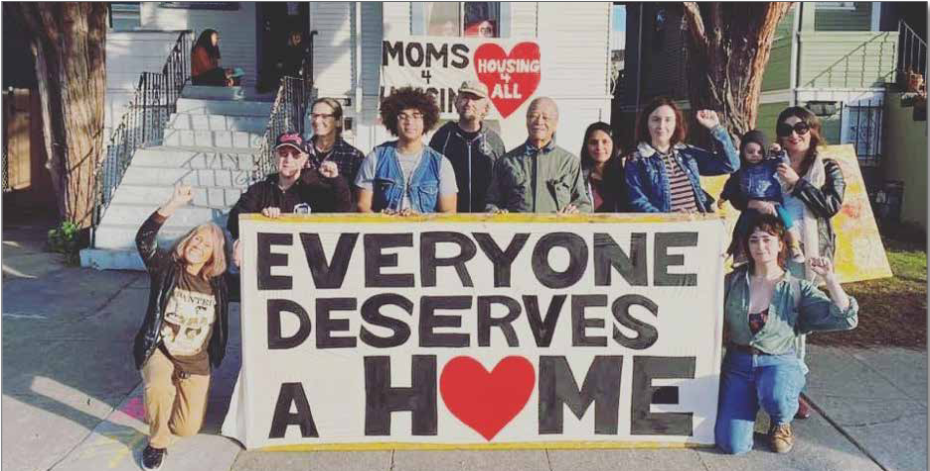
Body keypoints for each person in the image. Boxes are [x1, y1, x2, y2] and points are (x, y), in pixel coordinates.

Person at [715, 214, 857, 455]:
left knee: (776, 397)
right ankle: (752, 403)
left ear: (781, 243)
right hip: (738, 364)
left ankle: (781, 421)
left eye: (767, 239)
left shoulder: (796, 287)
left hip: (778, 361)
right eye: (753, 240)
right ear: (747, 246)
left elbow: (845, 317)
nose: (760, 246)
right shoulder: (733, 281)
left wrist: (830, 279)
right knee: (732, 445)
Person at [134, 185, 230, 470]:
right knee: (158, 386)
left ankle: (163, 406)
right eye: (195, 239)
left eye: (205, 245)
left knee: (186, 429)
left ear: (214, 256)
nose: (197, 245)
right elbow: (144, 240)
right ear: (187, 241)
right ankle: (157, 443)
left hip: (195, 360)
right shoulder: (166, 269)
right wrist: (173, 203)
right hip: (161, 348)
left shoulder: (220, 285)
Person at [227, 131, 352, 269]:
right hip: (270, 266)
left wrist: (336, 179)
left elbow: (343, 210)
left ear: (304, 159)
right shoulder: (259, 190)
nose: (288, 159)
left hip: (308, 266)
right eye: (283, 153)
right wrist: (260, 217)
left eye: (295, 154)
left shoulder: (315, 189)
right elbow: (233, 222)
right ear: (274, 156)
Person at [624, 97, 739, 213]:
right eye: (655, 119)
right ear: (646, 123)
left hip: (698, 226)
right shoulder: (636, 160)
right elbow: (638, 201)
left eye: (668, 120)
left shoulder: (686, 153)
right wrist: (671, 220)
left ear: (676, 124)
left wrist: (715, 128)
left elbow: (730, 165)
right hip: (666, 229)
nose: (661, 125)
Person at [355, 87, 458, 214]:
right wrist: (381, 220)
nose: (409, 122)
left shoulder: (440, 163)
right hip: (384, 232)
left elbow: (449, 212)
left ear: (425, 121)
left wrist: (421, 219)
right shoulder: (376, 157)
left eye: (416, 116)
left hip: (426, 233)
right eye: (403, 116)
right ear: (393, 120)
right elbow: (363, 205)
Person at [484, 97, 592, 213]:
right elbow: (491, 202)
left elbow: (583, 204)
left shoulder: (570, 162)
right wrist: (494, 211)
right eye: (533, 116)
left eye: (546, 118)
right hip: (518, 230)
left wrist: (576, 211)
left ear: (555, 124)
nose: (539, 122)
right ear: (526, 121)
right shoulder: (506, 161)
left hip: (556, 230)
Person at [720, 130, 805, 264]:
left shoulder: (770, 164)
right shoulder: (740, 169)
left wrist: (779, 152)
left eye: (759, 152)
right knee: (742, 225)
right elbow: (731, 184)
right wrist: (723, 196)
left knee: (786, 221)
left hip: (772, 201)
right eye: (750, 152)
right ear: (743, 151)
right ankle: (738, 251)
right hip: (751, 203)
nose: (755, 155)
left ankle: (794, 246)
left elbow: (784, 163)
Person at [428, 81, 506, 213]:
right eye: (465, 97)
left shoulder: (495, 141)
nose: (469, 103)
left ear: (485, 108)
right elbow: (429, 179)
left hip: (485, 222)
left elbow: (504, 183)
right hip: (449, 221)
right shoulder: (442, 137)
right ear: (456, 102)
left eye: (475, 99)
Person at [306, 97, 366, 189]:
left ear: (338, 121)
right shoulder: (301, 151)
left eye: (324, 116)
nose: (317, 121)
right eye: (314, 116)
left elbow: (357, 197)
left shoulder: (353, 156)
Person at [580, 121, 627, 212]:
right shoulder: (579, 178)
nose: (599, 147)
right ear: (586, 146)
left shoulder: (625, 174)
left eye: (605, 142)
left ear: (613, 144)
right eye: (593, 142)